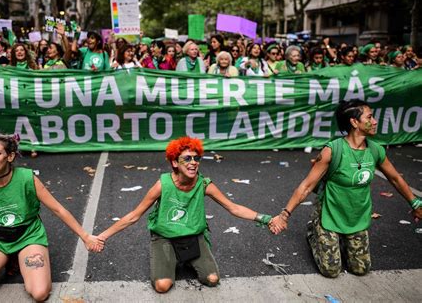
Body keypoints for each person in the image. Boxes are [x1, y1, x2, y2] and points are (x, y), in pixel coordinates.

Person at [97, 136, 272, 293]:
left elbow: (233, 208)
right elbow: (134, 215)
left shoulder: (204, 184)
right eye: (187, 158)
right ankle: (174, 257)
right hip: (164, 237)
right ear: (175, 163)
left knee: (212, 279)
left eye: (196, 158)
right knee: (162, 286)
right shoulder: (162, 185)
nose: (193, 162)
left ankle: (187, 259)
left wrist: (266, 219)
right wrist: (102, 237)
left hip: (193, 236)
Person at [269, 99, 422, 278]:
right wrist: (284, 215)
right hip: (330, 215)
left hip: (356, 217)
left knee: (361, 269)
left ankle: (341, 238)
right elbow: (307, 186)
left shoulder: (376, 150)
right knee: (331, 270)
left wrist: (415, 203)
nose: (375, 121)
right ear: (354, 122)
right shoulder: (333, 150)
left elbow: (395, 179)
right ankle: (314, 233)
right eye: (370, 117)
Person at [0, 132, 104, 302]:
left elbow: (58, 209)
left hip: (28, 236)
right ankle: (6, 259)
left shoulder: (27, 178)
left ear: (10, 156)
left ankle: (19, 258)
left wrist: (86, 236)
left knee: (39, 293)